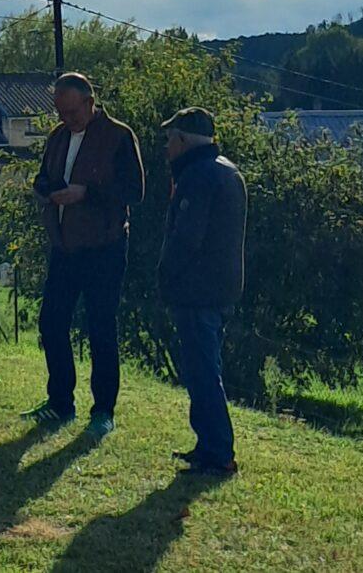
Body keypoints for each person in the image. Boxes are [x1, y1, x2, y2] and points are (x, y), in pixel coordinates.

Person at [21, 72, 144, 436]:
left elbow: (134, 191)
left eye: (72, 112)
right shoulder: (58, 136)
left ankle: (103, 410)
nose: (67, 119)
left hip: (104, 247)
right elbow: (42, 178)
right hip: (64, 246)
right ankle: (60, 402)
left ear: (91, 103)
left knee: (100, 327)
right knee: (52, 322)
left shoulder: (119, 136)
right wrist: (49, 192)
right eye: (61, 112)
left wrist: (85, 193)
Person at [159, 107, 246, 477]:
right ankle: (208, 445)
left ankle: (217, 452)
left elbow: (187, 238)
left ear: (182, 140)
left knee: (202, 373)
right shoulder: (228, 171)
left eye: (169, 139)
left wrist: (166, 275)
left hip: (197, 289)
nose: (166, 147)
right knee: (206, 368)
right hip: (223, 285)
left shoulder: (197, 176)